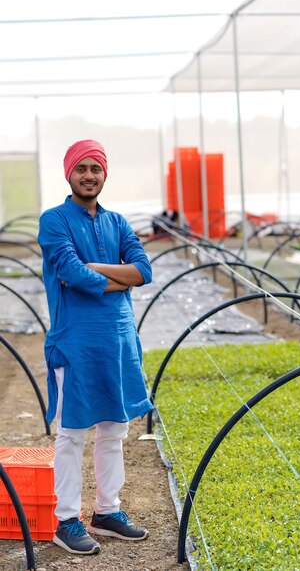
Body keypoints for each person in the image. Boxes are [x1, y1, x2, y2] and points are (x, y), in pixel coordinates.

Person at [38, 139, 153, 556]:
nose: (89, 175)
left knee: (114, 430)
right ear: (68, 173)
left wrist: (101, 271)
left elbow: (144, 270)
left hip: (119, 342)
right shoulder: (54, 220)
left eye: (96, 169)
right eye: (82, 168)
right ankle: (66, 520)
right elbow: (69, 272)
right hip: (75, 343)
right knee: (71, 434)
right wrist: (118, 279)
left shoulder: (118, 222)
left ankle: (107, 512)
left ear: (105, 174)